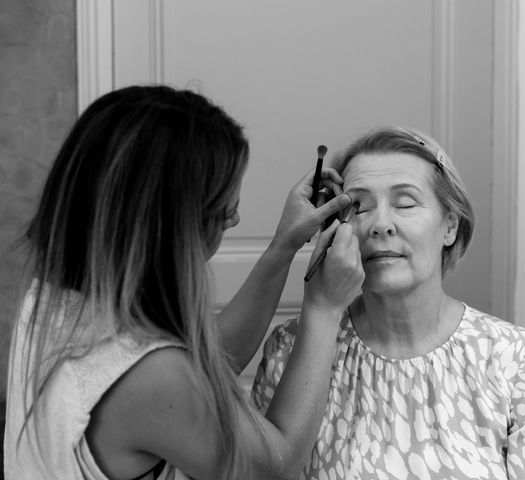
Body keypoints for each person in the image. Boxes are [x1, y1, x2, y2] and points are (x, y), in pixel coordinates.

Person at [3, 85, 365, 480]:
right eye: (225, 210)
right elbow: (274, 466)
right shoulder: (150, 378)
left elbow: (204, 367)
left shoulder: (54, 300)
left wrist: (283, 246)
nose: (235, 221)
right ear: (175, 227)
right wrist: (324, 308)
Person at [252, 126, 525, 479]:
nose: (381, 225)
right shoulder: (290, 351)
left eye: (405, 203)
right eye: (360, 207)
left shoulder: (517, 361)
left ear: (450, 227)